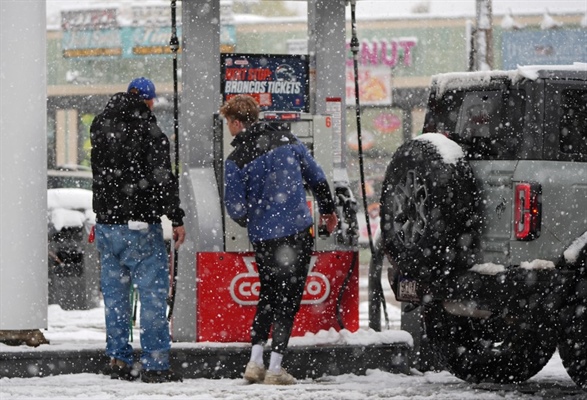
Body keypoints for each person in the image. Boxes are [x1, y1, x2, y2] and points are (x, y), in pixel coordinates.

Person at [221, 95, 338, 385]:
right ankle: (275, 368)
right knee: (288, 299)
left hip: (264, 237)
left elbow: (235, 208)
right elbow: (317, 176)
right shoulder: (288, 140)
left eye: (228, 124)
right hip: (297, 232)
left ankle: (255, 362)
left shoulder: (234, 160)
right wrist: (328, 211)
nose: (228, 130)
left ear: (237, 123)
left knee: (269, 295)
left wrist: (257, 220)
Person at [90, 77, 186, 383]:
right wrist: (176, 216)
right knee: (152, 297)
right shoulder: (151, 132)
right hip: (140, 226)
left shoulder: (100, 126)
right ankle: (156, 364)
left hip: (106, 224)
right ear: (147, 100)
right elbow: (162, 178)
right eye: (152, 101)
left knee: (115, 296)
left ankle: (118, 358)